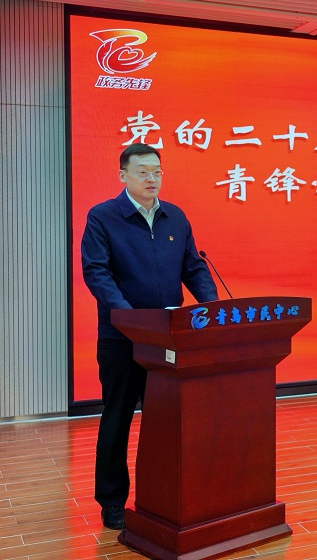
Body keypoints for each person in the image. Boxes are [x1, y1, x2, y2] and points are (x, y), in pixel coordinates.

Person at [81, 143, 217, 530]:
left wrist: (212, 307)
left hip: (169, 338)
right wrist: (130, 316)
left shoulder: (175, 217)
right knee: (118, 417)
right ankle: (112, 502)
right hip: (123, 338)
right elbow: (96, 272)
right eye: (142, 171)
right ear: (122, 175)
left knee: (167, 421)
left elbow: (194, 268)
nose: (151, 178)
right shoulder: (103, 217)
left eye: (157, 171)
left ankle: (163, 497)